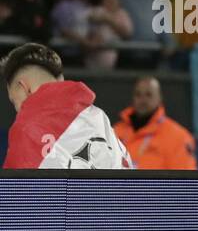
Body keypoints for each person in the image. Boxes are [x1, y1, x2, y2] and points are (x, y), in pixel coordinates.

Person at [3, 43, 131, 169]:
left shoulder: (26, 128)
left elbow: (14, 187)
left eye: (15, 102)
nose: (18, 111)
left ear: (25, 87)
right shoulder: (99, 117)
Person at [113, 75, 198, 170]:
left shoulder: (178, 137)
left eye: (148, 95)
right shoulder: (116, 131)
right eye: (138, 94)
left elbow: (185, 180)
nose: (142, 100)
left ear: (159, 98)